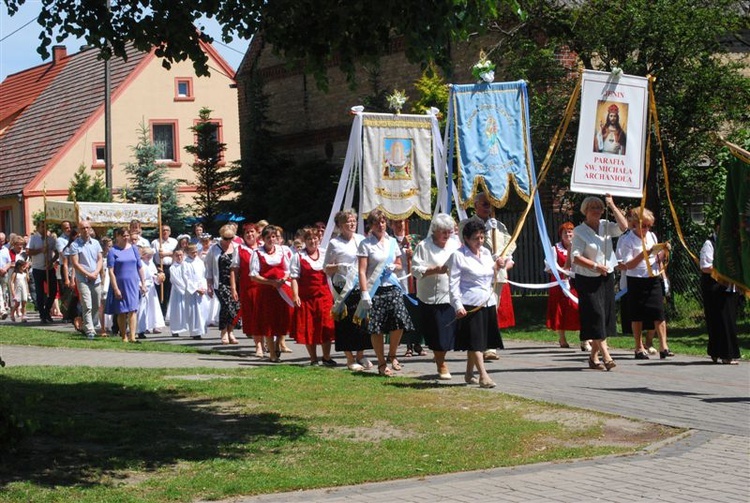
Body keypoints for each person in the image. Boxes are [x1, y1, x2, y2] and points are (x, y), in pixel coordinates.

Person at [571, 195, 628, 371]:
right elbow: (575, 257)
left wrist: (611, 204)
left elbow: (624, 227)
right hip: (587, 279)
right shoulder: (579, 231)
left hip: (606, 277)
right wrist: (595, 265)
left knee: (604, 317)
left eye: (599, 207)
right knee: (595, 315)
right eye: (593, 208)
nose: (597, 210)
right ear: (585, 210)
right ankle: (606, 355)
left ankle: (593, 357)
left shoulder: (605, 226)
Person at [448, 219, 506, 388]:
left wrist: (498, 265)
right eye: (475, 238)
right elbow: (453, 283)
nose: (479, 241)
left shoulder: (486, 253)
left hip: (487, 301)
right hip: (469, 303)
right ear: (466, 238)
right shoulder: (458, 255)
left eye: (481, 237)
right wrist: (457, 305)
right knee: (475, 341)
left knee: (479, 340)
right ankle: (483, 375)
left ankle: (468, 373)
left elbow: (490, 272)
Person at [357, 209, 414, 377]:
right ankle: (381, 363)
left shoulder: (391, 243)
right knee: (377, 328)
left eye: (382, 222)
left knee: (399, 320)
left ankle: (392, 354)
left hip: (392, 286)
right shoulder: (365, 244)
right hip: (375, 289)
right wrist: (364, 293)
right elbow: (362, 271)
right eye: (376, 222)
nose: (380, 225)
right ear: (371, 225)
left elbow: (399, 265)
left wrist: (393, 267)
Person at [459, 191, 513, 361]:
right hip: (475, 274)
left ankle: (490, 347)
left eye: (490, 204)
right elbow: (464, 243)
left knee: (492, 309)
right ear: (475, 205)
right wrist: (485, 231)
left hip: (495, 273)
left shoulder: (499, 226)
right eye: (484, 203)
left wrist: (505, 260)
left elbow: (509, 247)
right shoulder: (466, 224)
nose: (488, 207)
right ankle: (478, 345)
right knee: (477, 311)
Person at [616, 208, 673, 360]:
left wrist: (663, 251)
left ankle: (663, 346)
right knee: (637, 315)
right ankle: (638, 347)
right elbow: (628, 265)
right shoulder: (627, 240)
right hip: (636, 279)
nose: (646, 229)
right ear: (634, 224)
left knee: (658, 313)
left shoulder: (652, 236)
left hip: (652, 277)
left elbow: (656, 257)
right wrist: (643, 254)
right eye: (643, 226)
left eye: (648, 226)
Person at [411, 213, 460, 379]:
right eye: (443, 232)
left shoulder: (455, 244)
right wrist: (434, 270)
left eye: (449, 231)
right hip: (430, 298)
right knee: (437, 333)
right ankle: (441, 364)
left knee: (448, 334)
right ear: (435, 231)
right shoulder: (424, 246)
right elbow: (415, 270)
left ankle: (440, 356)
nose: (447, 235)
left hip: (451, 296)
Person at [324, 210, 373, 371]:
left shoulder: (361, 240)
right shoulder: (334, 243)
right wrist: (338, 267)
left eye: (353, 220)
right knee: (345, 323)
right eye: (347, 221)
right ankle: (349, 357)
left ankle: (361, 354)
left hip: (360, 285)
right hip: (343, 287)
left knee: (361, 321)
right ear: (339, 225)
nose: (351, 224)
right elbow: (326, 268)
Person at [290, 227, 337, 366]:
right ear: (305, 241)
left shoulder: (325, 254)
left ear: (319, 239)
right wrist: (295, 295)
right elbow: (294, 277)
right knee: (309, 327)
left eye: (315, 238)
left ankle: (327, 357)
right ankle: (313, 359)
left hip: (324, 297)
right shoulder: (298, 256)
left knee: (326, 326)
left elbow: (332, 271)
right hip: (307, 298)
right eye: (309, 239)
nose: (313, 241)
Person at [250, 225, 293, 362]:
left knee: (283, 319)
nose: (271, 239)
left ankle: (278, 343)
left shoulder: (282, 251)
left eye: (273, 237)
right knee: (268, 322)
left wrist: (283, 279)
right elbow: (253, 275)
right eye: (268, 237)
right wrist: (271, 282)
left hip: (281, 290)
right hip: (266, 292)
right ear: (263, 239)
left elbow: (289, 270)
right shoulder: (257, 253)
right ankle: (272, 354)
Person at [700, 224, 740, 365]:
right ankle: (724, 354)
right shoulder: (710, 243)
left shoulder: (731, 245)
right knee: (719, 321)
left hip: (730, 288)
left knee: (728, 321)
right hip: (715, 288)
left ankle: (719, 352)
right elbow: (705, 267)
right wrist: (723, 271)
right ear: (718, 228)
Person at [389, 218, 426, 358]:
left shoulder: (415, 239)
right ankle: (408, 345)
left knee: (417, 312)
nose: (399, 224)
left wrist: (413, 253)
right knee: (405, 313)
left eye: (401, 222)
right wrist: (401, 246)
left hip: (415, 280)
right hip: (400, 279)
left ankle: (418, 343)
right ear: (391, 224)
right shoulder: (390, 240)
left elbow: (423, 256)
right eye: (396, 222)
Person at [105, 227, 147, 343]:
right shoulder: (113, 251)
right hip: (120, 284)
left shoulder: (134, 249)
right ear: (117, 237)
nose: (126, 238)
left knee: (133, 309)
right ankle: (124, 336)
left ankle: (133, 336)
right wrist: (115, 288)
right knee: (122, 311)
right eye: (123, 236)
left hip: (133, 284)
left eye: (127, 235)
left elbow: (140, 267)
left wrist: (143, 283)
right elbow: (111, 272)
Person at [545, 222, 581, 349]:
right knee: (560, 310)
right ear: (561, 235)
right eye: (565, 232)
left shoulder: (578, 247)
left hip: (575, 281)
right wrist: (562, 271)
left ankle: (584, 340)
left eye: (570, 231)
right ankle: (562, 338)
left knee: (578, 308)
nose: (568, 234)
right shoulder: (555, 249)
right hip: (559, 283)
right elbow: (549, 267)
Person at [231, 223, 264, 357]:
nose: (250, 235)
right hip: (248, 288)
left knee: (265, 316)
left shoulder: (263, 247)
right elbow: (234, 270)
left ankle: (268, 342)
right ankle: (258, 346)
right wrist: (234, 288)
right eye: (247, 233)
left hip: (264, 287)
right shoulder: (239, 249)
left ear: (257, 233)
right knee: (253, 317)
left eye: (252, 232)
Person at [66, 221, 103, 340]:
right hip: (83, 279)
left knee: (96, 304)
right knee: (87, 304)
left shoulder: (96, 243)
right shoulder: (75, 245)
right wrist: (88, 274)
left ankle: (87, 324)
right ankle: (90, 330)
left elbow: (100, 259)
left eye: (87, 228)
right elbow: (75, 264)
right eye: (83, 228)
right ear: (79, 230)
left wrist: (96, 272)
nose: (85, 230)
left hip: (95, 278)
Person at [205, 225, 241, 345]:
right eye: (226, 238)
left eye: (231, 238)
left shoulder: (237, 247)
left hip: (235, 282)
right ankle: (224, 332)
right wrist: (209, 284)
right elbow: (209, 267)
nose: (228, 241)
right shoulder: (214, 249)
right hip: (220, 282)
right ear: (221, 236)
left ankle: (231, 331)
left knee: (235, 307)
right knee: (226, 305)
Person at [26, 219, 58, 324]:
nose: (44, 229)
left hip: (48, 268)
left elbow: (57, 253)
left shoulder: (50, 240)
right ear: (38, 228)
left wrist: (52, 261)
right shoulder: (33, 238)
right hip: (38, 268)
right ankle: (42, 314)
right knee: (40, 293)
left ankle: (46, 310)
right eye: (42, 226)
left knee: (53, 291)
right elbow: (28, 252)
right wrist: (40, 250)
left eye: (46, 227)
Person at [136, 246, 166, 339]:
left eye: (151, 256)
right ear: (143, 255)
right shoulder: (140, 263)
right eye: (148, 255)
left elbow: (154, 277)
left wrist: (159, 278)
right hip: (143, 287)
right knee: (142, 309)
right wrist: (141, 285)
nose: (150, 257)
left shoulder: (151, 263)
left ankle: (151, 326)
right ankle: (140, 330)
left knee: (152, 309)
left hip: (151, 288)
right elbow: (137, 277)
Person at [182, 244, 208, 340]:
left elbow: (203, 275)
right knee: (193, 312)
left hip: (200, 288)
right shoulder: (185, 263)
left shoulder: (199, 261)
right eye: (192, 252)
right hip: (192, 290)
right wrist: (195, 289)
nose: (195, 254)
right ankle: (195, 332)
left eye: (196, 252)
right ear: (187, 252)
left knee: (202, 311)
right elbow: (186, 278)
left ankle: (201, 330)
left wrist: (203, 287)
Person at [152, 224, 178, 317]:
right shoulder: (155, 242)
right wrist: (156, 267)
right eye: (163, 230)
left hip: (170, 267)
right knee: (159, 291)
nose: (165, 232)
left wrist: (166, 254)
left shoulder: (174, 241)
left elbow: (176, 253)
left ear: (170, 232)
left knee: (168, 290)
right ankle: (160, 313)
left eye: (167, 230)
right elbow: (152, 256)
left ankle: (167, 312)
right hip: (159, 268)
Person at [167, 249, 188, 337]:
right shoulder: (172, 268)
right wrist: (185, 288)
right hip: (178, 291)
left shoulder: (187, 265)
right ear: (174, 257)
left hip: (188, 291)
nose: (179, 257)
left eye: (181, 255)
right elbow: (175, 280)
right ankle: (175, 329)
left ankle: (189, 328)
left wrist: (189, 288)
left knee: (187, 310)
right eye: (177, 255)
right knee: (177, 310)